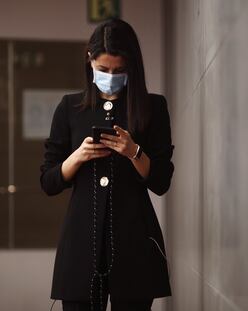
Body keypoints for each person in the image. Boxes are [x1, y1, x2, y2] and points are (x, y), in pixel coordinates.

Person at [40, 19, 174, 311]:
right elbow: (48, 181)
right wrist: (77, 157)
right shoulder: (69, 107)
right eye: (103, 70)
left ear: (132, 67)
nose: (110, 77)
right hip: (80, 243)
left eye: (119, 71)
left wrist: (134, 151)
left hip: (135, 242)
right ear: (90, 60)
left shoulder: (153, 108)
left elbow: (162, 182)